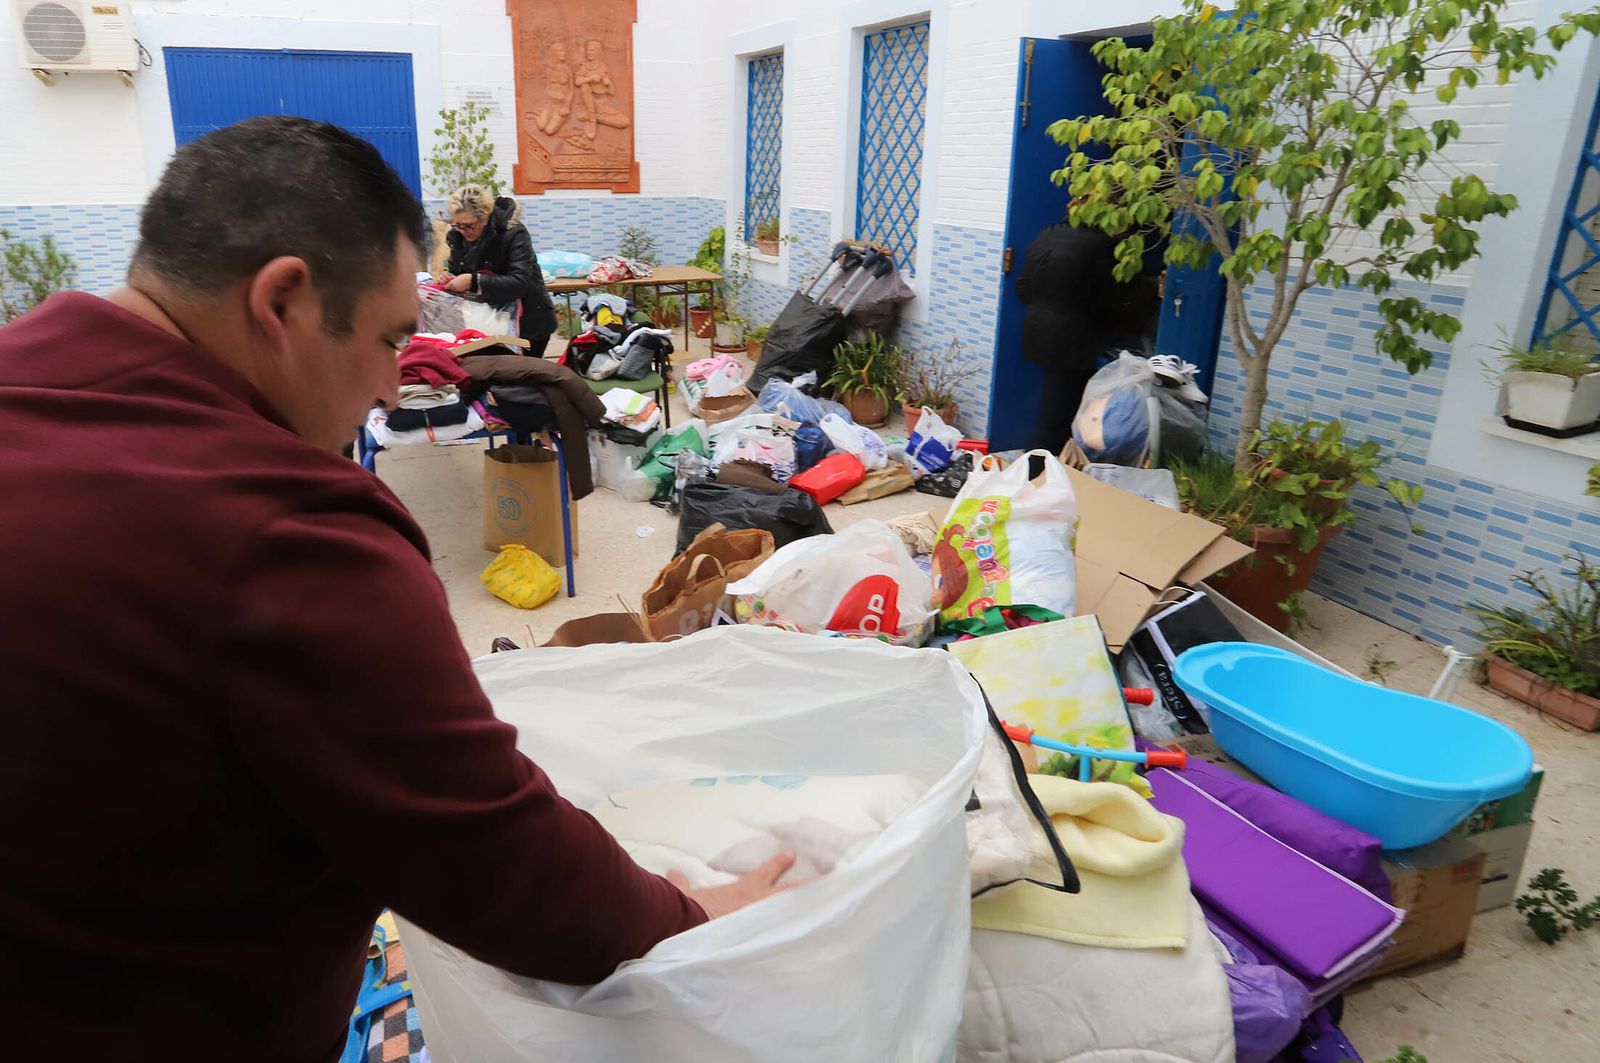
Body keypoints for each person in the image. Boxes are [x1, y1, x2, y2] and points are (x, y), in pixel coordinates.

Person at [0, 116, 793, 1061]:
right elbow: (488, 853)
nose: (388, 391)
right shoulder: (284, 529)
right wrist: (693, 917)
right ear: (282, 302)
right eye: (387, 342)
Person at [1015, 219, 1163, 454]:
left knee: (1055, 406)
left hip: (1038, 328)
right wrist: (1155, 288)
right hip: (1070, 336)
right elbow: (1116, 291)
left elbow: (1022, 286)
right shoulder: (1100, 244)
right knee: (1060, 412)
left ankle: (1046, 465)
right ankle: (1036, 468)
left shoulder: (1048, 233)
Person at [438, 183, 559, 355]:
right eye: (457, 225)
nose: (463, 231)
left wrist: (474, 281)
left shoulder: (513, 233)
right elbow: (457, 271)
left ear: (484, 218)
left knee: (524, 376)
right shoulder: (458, 235)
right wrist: (450, 278)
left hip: (528, 324)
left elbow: (521, 281)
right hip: (485, 322)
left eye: (468, 226)